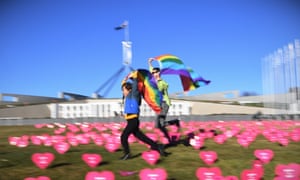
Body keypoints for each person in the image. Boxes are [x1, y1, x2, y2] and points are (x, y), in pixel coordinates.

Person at [120, 76, 167, 160]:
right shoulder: (128, 97)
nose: (123, 92)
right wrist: (124, 81)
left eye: (124, 90)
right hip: (131, 120)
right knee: (141, 137)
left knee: (123, 137)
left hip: (133, 121)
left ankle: (127, 154)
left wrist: (133, 77)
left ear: (129, 90)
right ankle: (158, 146)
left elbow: (134, 86)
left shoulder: (133, 95)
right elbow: (124, 85)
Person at [148, 58, 180, 145]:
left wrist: (157, 81)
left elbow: (160, 89)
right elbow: (151, 70)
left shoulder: (163, 82)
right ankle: (174, 122)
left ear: (159, 73)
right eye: (153, 73)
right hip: (158, 104)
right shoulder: (154, 80)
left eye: (156, 72)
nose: (154, 74)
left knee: (160, 124)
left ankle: (169, 140)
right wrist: (150, 63)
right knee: (157, 125)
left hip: (165, 103)